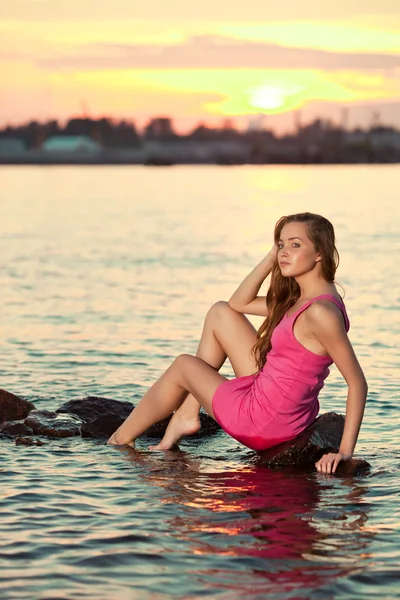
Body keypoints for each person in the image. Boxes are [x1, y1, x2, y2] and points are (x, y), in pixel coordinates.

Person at [108, 212, 368, 474]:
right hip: (278, 405)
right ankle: (187, 414)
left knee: (183, 365)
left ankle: (120, 439)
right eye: (280, 245)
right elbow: (238, 303)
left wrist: (344, 452)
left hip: (265, 422)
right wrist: (271, 257)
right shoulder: (305, 300)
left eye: (295, 245)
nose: (284, 252)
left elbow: (357, 382)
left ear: (320, 252)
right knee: (221, 312)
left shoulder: (319, 312)